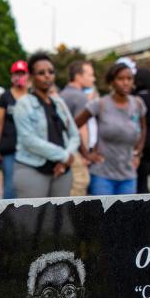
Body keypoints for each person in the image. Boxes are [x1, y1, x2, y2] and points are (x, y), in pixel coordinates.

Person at [73, 59, 146, 195]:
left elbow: (143, 129)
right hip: (103, 175)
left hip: (128, 175)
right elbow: (74, 125)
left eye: (129, 78)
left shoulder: (137, 104)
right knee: (104, 215)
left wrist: (138, 153)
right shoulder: (100, 104)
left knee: (126, 215)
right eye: (120, 79)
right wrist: (86, 153)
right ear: (112, 81)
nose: (125, 82)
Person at [13, 53, 80, 198]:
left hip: (62, 171)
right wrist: (63, 156)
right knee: (32, 219)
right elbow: (29, 140)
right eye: (41, 73)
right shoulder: (23, 104)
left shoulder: (59, 102)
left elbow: (74, 134)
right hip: (33, 168)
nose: (47, 76)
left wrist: (66, 159)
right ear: (31, 76)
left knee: (58, 218)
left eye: (51, 72)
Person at [60, 60, 95, 196]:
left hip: (63, 150)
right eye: (90, 75)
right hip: (76, 151)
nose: (93, 78)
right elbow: (82, 128)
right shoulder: (80, 97)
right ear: (78, 76)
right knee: (80, 185)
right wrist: (85, 153)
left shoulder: (63, 94)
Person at [0, 60, 28, 200]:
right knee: (10, 185)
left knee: (28, 184)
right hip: (9, 147)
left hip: (30, 148)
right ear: (11, 75)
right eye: (16, 74)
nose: (19, 77)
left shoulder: (32, 95)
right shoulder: (5, 97)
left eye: (22, 73)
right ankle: (7, 218)